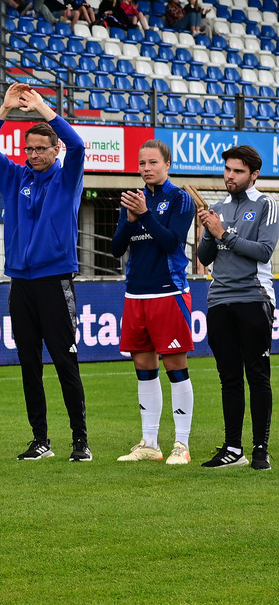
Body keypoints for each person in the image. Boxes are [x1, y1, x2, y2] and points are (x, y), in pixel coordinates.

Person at [0, 82, 91, 462]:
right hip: (20, 283)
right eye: (29, 149)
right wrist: (5, 109)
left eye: (41, 148)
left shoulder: (67, 175)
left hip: (55, 279)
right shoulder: (15, 177)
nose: (34, 154)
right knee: (29, 364)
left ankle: (80, 442)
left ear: (54, 150)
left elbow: (78, 146)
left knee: (64, 361)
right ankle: (40, 440)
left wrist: (43, 108)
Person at [110, 140, 196, 465]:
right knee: (143, 368)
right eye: (142, 162)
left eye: (152, 162)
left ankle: (181, 445)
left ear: (167, 164)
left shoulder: (179, 198)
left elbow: (171, 242)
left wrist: (144, 215)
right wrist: (131, 220)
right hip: (136, 294)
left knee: (175, 366)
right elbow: (117, 248)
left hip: (169, 292)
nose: (146, 168)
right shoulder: (133, 199)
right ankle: (150, 442)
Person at [196, 145, 279, 470]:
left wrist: (222, 232)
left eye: (238, 171)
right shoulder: (217, 207)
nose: (230, 176)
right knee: (228, 377)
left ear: (254, 174)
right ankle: (233, 448)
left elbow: (263, 252)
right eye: (228, 169)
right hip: (219, 301)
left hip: (253, 299)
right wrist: (207, 231)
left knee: (257, 375)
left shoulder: (265, 205)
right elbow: (205, 258)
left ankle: (260, 449)